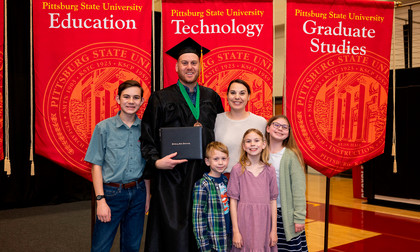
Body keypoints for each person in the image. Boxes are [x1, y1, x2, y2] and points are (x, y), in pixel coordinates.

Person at [141, 37, 224, 252]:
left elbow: (221, 133)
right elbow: (147, 136)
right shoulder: (160, 97)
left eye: (194, 63)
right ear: (177, 66)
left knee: (203, 227)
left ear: (199, 66)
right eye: (185, 63)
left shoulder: (212, 97)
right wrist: (156, 162)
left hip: (204, 173)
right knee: (172, 233)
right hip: (172, 177)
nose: (189, 67)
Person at [84, 80, 150, 252]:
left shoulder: (145, 129)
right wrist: (101, 200)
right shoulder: (103, 128)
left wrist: (147, 195)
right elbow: (96, 165)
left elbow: (147, 166)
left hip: (138, 193)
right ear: (117, 99)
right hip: (112, 194)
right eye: (126, 97)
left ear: (142, 102)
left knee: (132, 245)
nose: (131, 101)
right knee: (101, 246)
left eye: (136, 98)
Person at [227, 128, 278, 251]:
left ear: (264, 144)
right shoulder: (237, 169)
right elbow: (233, 201)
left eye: (256, 140)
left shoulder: (270, 170)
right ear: (244, 146)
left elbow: (273, 201)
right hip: (244, 223)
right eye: (248, 141)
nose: (253, 144)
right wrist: (236, 231)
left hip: (264, 224)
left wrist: (274, 230)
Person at [265, 115, 308, 251]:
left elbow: (299, 190)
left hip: (284, 214)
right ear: (268, 128)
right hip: (265, 212)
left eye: (285, 127)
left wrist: (299, 217)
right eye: (276, 125)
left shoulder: (291, 155)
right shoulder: (259, 153)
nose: (280, 129)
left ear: (288, 133)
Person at [214, 79, 267, 177]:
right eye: (233, 93)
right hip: (223, 180)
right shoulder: (216, 120)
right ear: (227, 96)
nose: (237, 97)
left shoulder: (261, 122)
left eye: (242, 93)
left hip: (253, 179)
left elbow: (267, 155)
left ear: (249, 97)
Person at [192, 141, 232, 252]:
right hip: (213, 242)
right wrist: (204, 246)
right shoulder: (202, 185)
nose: (220, 163)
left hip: (227, 237)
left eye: (223, 159)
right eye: (216, 159)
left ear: (228, 160)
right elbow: (198, 220)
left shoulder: (225, 180)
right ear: (207, 161)